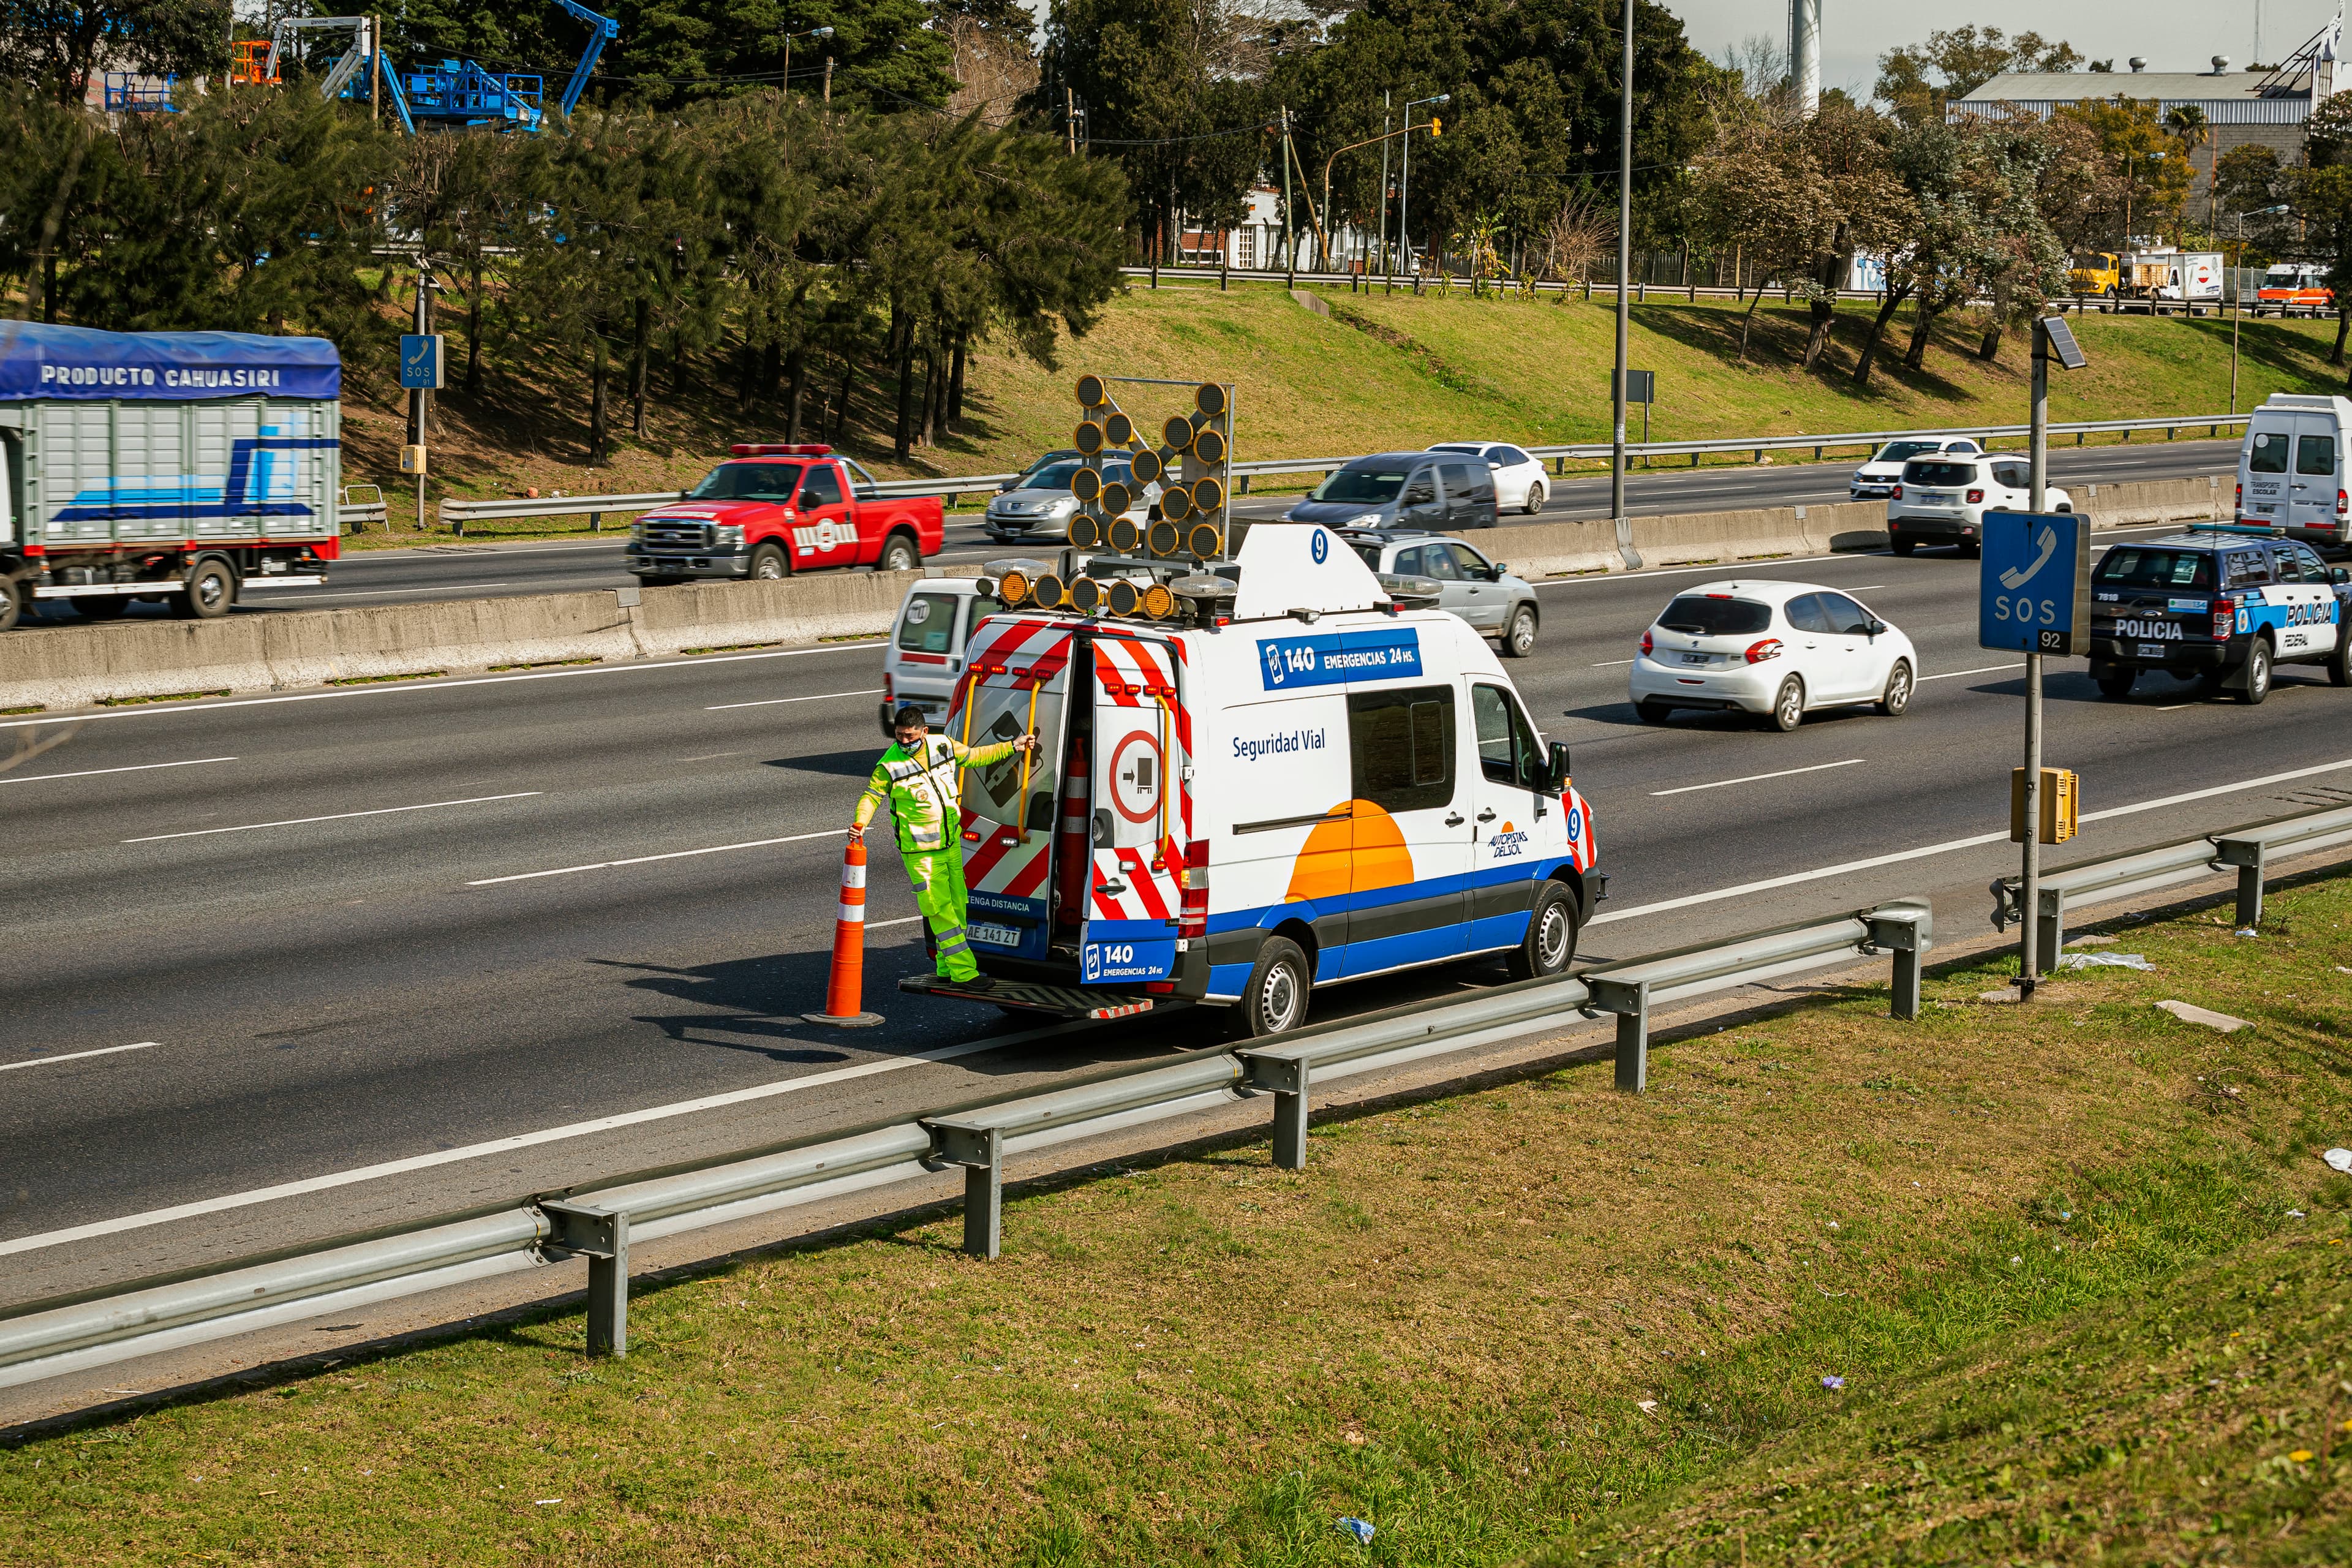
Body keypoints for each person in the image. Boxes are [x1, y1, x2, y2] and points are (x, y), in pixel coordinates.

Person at [851, 703, 1038, 988]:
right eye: (899, 735)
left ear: (924, 732)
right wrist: (860, 822)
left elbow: (976, 756)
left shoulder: (944, 746)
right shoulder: (889, 765)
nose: (903, 742)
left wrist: (1014, 746)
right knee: (940, 910)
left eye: (910, 736)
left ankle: (945, 967)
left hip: (950, 845)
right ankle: (965, 973)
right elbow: (871, 796)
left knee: (958, 906)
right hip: (921, 854)